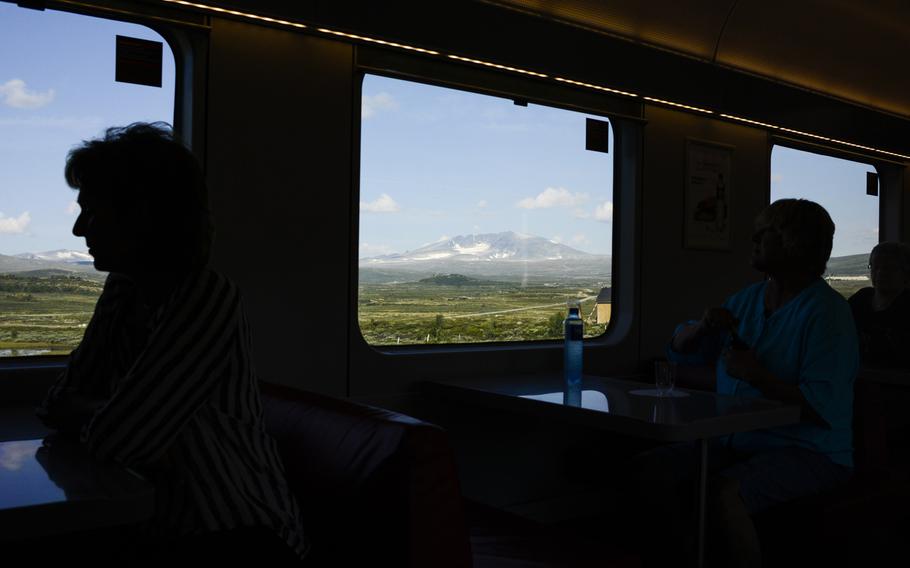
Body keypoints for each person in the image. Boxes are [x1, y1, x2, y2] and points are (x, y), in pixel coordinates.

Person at [35, 123, 307, 563]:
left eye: (92, 211)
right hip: (160, 527)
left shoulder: (207, 298)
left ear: (141, 215)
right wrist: (118, 420)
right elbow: (55, 404)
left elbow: (122, 440)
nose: (78, 229)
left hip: (242, 533)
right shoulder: (123, 292)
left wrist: (106, 418)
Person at [628, 199, 858, 568]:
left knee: (723, 492)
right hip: (738, 441)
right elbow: (679, 353)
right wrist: (701, 329)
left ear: (793, 242)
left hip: (810, 451)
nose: (753, 239)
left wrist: (756, 375)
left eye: (763, 232)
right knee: (650, 470)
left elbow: (822, 406)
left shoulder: (828, 314)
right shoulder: (748, 300)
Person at [847, 241, 910, 369]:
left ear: (905, 272)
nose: (880, 272)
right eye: (875, 267)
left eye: (889, 268)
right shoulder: (860, 300)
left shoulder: (906, 307)